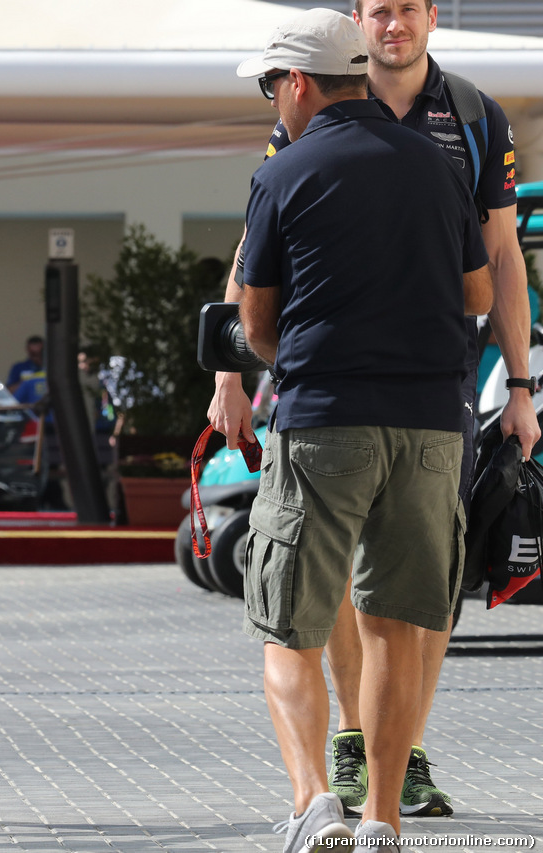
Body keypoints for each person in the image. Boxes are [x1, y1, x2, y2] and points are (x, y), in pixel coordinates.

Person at [209, 0, 537, 820]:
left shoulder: (467, 117)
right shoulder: (381, 150)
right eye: (379, 11)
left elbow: (499, 257)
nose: (394, 24)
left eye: (407, 9)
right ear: (358, 29)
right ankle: (371, 782)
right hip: (419, 403)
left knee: (344, 608)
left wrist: (520, 385)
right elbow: (477, 280)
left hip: (367, 399)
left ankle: (354, 778)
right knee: (388, 598)